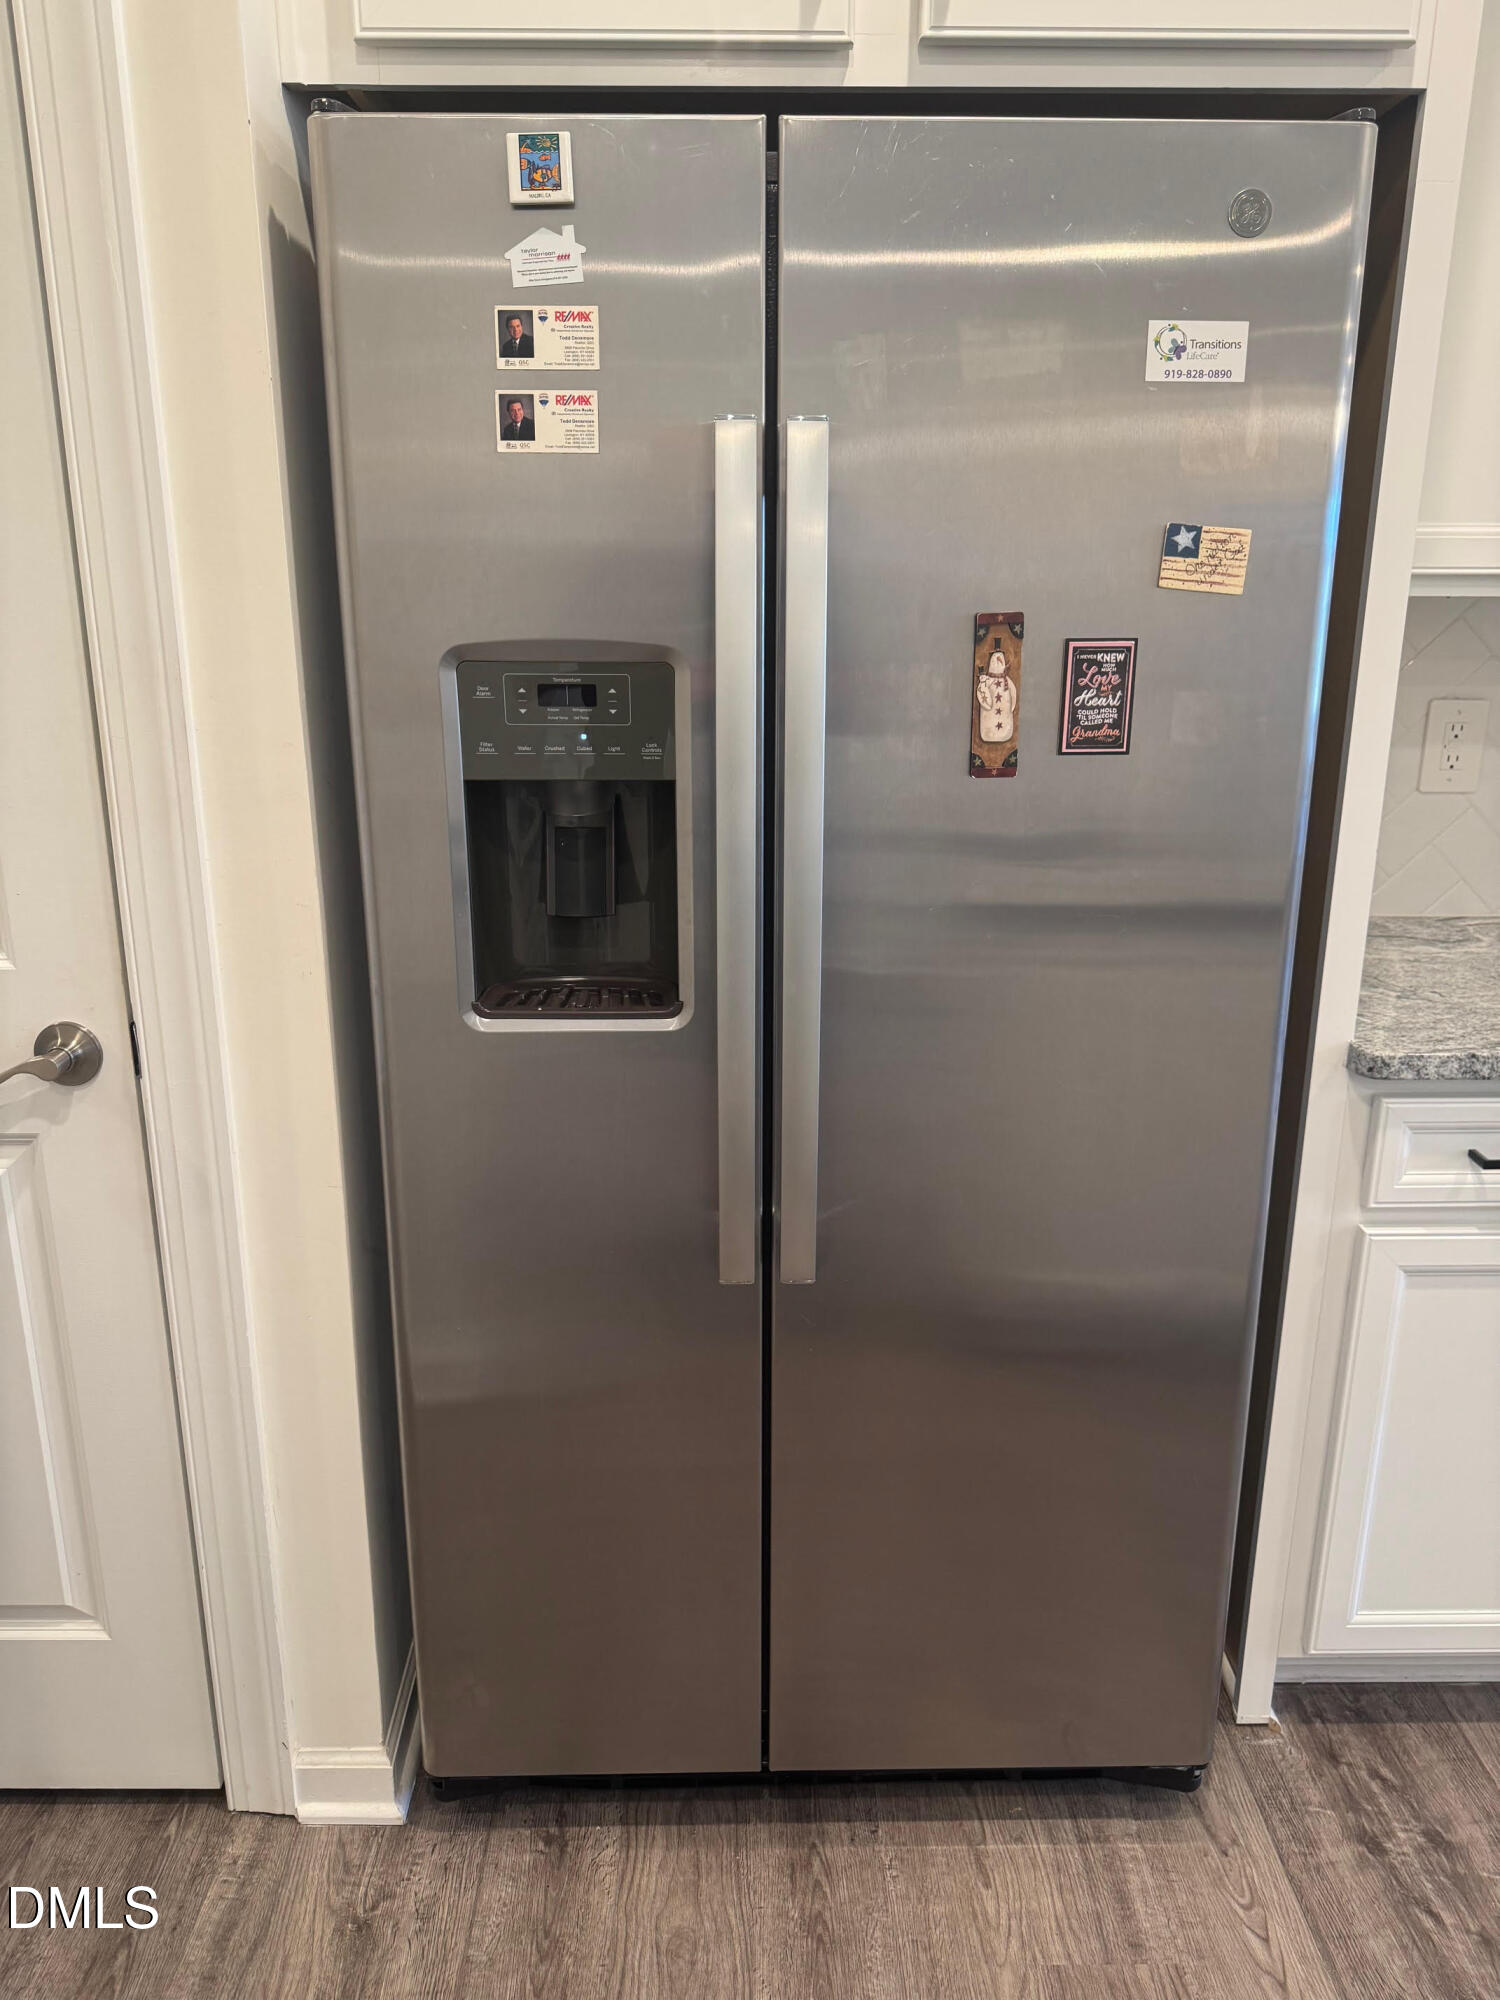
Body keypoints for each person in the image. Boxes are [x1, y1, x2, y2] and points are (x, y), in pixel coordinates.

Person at [976, 637, 1017, 745]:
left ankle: (1004, 732)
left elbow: (1013, 694)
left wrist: (1011, 707)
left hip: (1004, 719)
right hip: (989, 725)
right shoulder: (987, 681)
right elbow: (983, 695)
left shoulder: (1007, 681)